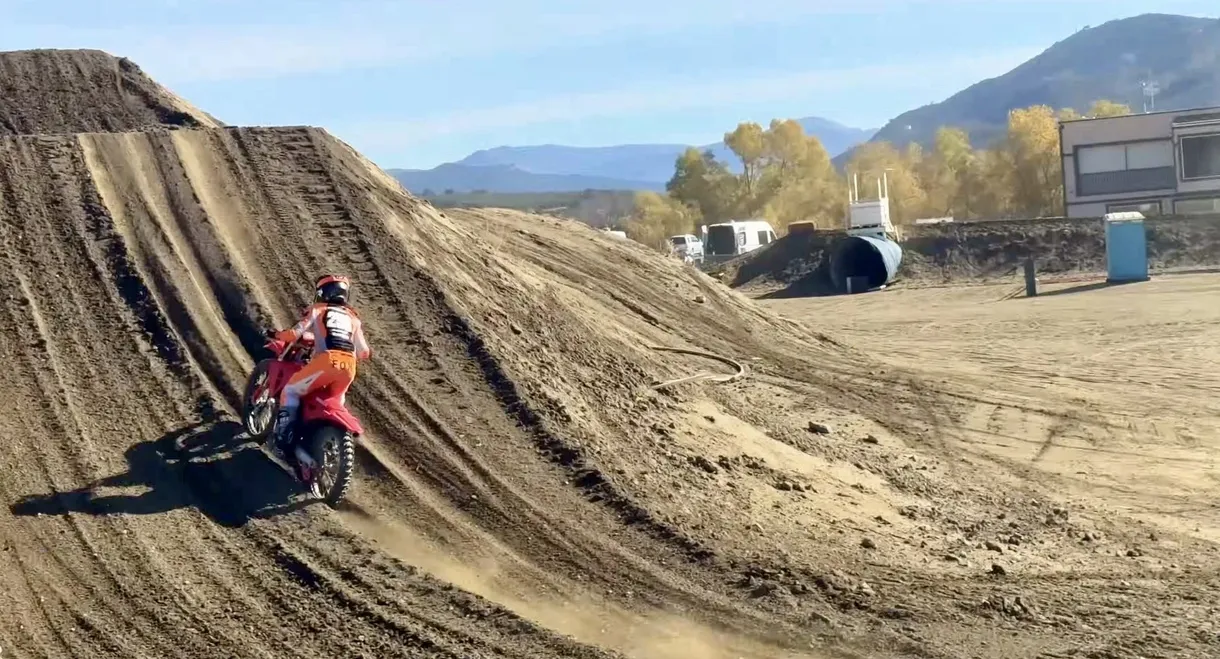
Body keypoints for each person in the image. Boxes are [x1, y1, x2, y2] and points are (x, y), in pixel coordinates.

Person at [267, 274, 371, 456]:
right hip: (349, 367)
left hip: (326, 361)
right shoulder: (354, 319)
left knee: (290, 390)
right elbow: (364, 352)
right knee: (332, 401)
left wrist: (276, 334)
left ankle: (283, 437)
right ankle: (318, 440)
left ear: (323, 292)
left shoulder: (318, 309)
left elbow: (293, 334)